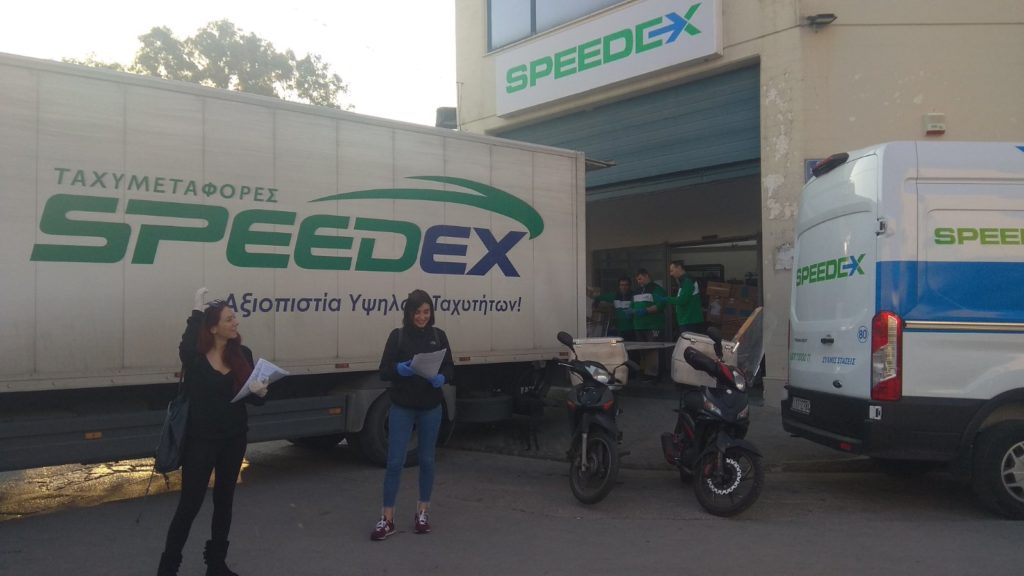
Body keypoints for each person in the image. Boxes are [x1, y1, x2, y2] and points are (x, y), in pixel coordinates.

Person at [157, 288, 268, 576]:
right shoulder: (195, 357)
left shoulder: (242, 354)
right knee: (189, 505)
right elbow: (185, 344)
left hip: (233, 438)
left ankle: (216, 564)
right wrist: (196, 312)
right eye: (229, 319)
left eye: (235, 318)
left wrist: (260, 392)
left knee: (224, 501)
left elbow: (254, 398)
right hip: (201, 442)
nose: (236, 322)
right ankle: (168, 568)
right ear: (213, 328)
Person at [371, 289, 455, 541]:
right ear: (409, 313)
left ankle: (423, 513)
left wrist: (442, 378)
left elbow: (450, 368)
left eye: (426, 312)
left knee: (427, 460)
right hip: (402, 406)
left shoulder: (438, 336)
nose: (422, 317)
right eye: (417, 312)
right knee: (395, 462)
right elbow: (383, 370)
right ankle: (387, 519)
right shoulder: (397, 336)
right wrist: (399, 369)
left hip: (431, 407)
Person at [660, 260, 706, 338]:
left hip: (690, 320)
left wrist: (667, 299)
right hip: (687, 320)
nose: (671, 274)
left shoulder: (687, 281)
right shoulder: (684, 281)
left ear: (679, 268)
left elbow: (682, 300)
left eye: (672, 271)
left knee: (689, 344)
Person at [591, 275, 636, 340]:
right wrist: (595, 305)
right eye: (622, 285)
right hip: (619, 329)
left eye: (626, 285)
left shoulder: (634, 296)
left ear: (629, 286)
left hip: (632, 329)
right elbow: (598, 298)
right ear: (619, 286)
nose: (624, 287)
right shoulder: (614, 295)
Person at [630, 268, 667, 342]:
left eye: (640, 279)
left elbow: (661, 305)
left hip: (654, 326)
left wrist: (646, 310)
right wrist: (630, 311)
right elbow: (632, 306)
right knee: (641, 348)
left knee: (654, 347)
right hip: (639, 327)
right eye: (637, 280)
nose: (638, 282)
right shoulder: (636, 291)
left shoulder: (657, 289)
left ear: (646, 276)